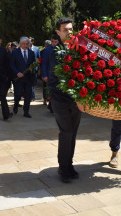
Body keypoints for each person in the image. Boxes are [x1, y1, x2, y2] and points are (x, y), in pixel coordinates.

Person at [48, 18, 81, 183]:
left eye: (71, 29)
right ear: (58, 32)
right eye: (65, 30)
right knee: (66, 132)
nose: (69, 32)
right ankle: (63, 168)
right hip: (60, 100)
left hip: (75, 100)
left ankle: (69, 165)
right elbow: (59, 78)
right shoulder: (55, 51)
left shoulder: (77, 50)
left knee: (73, 133)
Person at [10, 37, 36, 118]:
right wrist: (17, 73)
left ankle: (26, 111)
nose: (25, 45)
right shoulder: (15, 53)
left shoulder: (31, 53)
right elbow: (12, 65)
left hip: (28, 77)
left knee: (28, 95)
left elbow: (33, 64)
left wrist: (33, 68)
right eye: (23, 44)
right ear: (20, 44)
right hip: (19, 78)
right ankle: (16, 104)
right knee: (18, 93)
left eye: (26, 44)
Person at [41, 34, 60, 112]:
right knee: (52, 91)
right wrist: (44, 75)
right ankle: (52, 107)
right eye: (52, 41)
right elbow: (44, 63)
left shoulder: (61, 49)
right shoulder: (47, 50)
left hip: (59, 74)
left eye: (56, 42)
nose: (54, 43)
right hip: (50, 75)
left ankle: (52, 106)